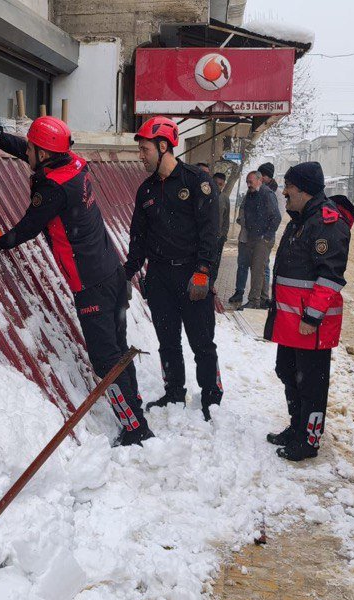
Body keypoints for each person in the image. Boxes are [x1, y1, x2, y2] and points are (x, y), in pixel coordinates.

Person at [0, 116, 155, 446]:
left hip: (90, 282)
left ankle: (134, 427)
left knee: (104, 359)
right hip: (111, 270)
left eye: (32, 148)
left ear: (44, 154)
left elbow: (28, 227)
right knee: (117, 349)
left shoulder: (54, 190)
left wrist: (0, 240)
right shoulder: (74, 163)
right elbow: (26, 151)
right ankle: (135, 409)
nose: (27, 151)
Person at [124, 116, 224, 421]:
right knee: (168, 341)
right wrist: (129, 271)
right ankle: (174, 391)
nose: (140, 155)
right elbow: (138, 237)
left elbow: (210, 231)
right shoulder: (146, 191)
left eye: (145, 150)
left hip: (192, 274)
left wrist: (203, 272)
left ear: (163, 146)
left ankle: (211, 396)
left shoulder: (197, 182)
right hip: (159, 277)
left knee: (202, 342)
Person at [263, 162, 354, 461]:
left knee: (311, 383)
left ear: (303, 188)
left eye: (288, 185)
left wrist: (312, 317)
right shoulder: (301, 218)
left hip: (309, 324)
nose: (284, 191)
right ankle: (297, 427)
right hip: (291, 320)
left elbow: (330, 277)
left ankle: (309, 440)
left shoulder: (327, 223)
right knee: (287, 371)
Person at [233, 163, 280, 310]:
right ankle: (263, 299)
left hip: (262, 239)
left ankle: (254, 301)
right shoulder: (252, 193)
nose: (248, 185)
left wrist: (266, 236)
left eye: (250, 182)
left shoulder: (267, 194)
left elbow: (276, 217)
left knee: (258, 270)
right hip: (252, 238)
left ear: (259, 180)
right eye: (247, 182)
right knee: (257, 269)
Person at [212, 172, 231, 282]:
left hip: (218, 239)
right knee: (202, 264)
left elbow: (226, 219)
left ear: (223, 185)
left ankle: (211, 286)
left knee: (215, 264)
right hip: (204, 238)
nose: (217, 186)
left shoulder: (225, 199)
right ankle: (199, 289)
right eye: (215, 183)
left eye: (220, 184)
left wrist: (223, 235)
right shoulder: (204, 195)